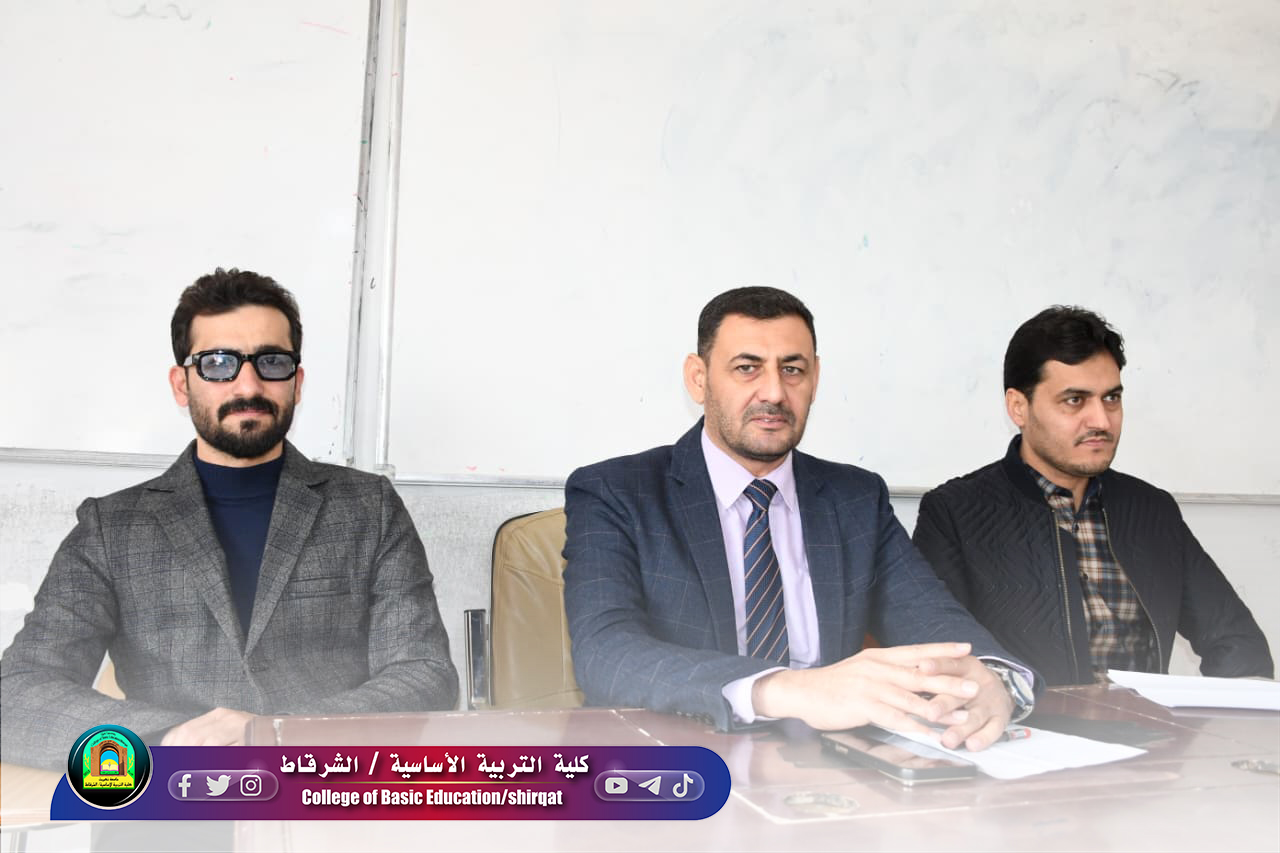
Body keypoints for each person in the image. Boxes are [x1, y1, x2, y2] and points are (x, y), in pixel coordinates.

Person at [1, 268, 457, 769]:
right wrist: (171, 736)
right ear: (181, 384)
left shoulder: (368, 506)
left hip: (325, 786)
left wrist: (277, 733)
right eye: (218, 363)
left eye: (272, 362)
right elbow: (18, 692)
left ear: (297, 383)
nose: (248, 384)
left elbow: (425, 675)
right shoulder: (112, 528)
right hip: (175, 791)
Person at [563, 287, 1035, 752]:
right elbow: (606, 652)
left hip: (829, 768)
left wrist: (993, 678)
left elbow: (932, 618)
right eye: (747, 368)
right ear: (698, 379)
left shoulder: (855, 497)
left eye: (792, 370)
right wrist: (786, 689)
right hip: (674, 762)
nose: (774, 392)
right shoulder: (617, 492)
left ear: (815, 379)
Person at [913, 306, 1273, 685]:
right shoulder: (955, 513)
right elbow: (939, 659)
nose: (1101, 421)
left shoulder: (1151, 509)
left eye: (1111, 398)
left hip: (1149, 721)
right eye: (1075, 400)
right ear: (1018, 407)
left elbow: (1238, 644)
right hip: (1032, 721)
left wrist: (1212, 714)